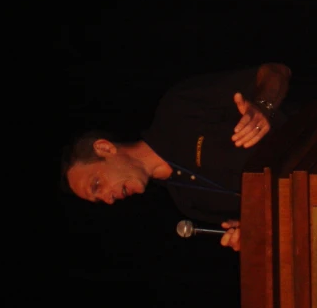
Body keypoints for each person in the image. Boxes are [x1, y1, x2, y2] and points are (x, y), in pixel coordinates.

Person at [62, 62, 294, 252]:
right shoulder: (186, 203)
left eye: (97, 185)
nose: (108, 199)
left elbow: (276, 72)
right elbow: (277, 221)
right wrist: (252, 233)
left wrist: (263, 107)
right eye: (100, 200)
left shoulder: (177, 109)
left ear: (105, 148)